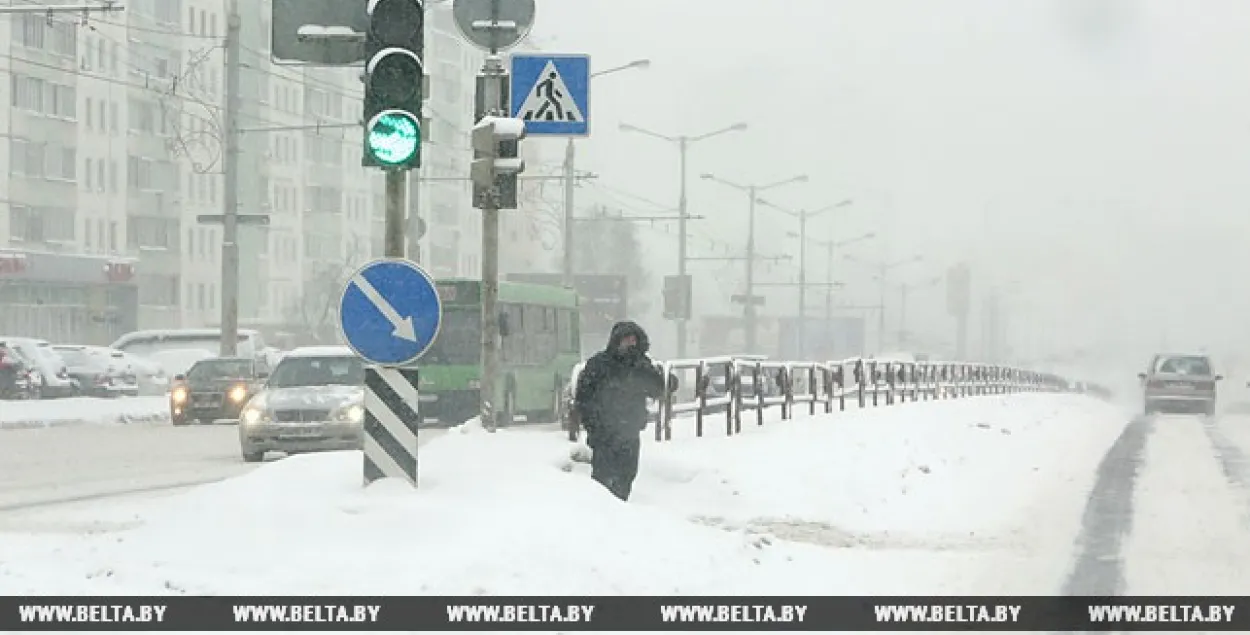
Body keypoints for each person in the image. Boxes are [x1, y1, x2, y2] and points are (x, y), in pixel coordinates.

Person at [574, 321, 666, 501]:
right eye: (626, 340)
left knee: (627, 476)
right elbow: (583, 396)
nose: (630, 345)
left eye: (634, 341)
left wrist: (643, 367)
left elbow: (657, 388)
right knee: (602, 481)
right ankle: (602, 514)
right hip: (603, 435)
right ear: (616, 341)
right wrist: (593, 424)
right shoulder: (599, 364)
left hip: (630, 433)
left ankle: (620, 510)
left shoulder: (641, 365)